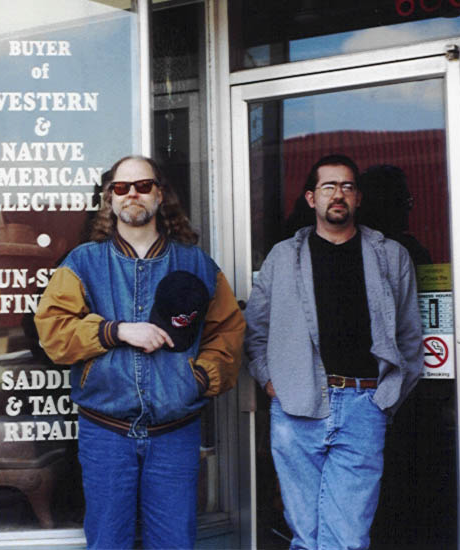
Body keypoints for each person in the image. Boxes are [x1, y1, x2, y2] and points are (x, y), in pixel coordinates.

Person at [34, 155, 245, 549]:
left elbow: (228, 333)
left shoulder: (196, 264)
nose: (132, 193)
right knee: (108, 542)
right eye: (121, 187)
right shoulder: (83, 262)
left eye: (143, 185)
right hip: (106, 431)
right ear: (110, 199)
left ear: (160, 194)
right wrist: (115, 331)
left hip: (175, 433)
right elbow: (53, 332)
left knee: (174, 543)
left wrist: (198, 379)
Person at [244, 154, 423, 550]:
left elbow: (410, 338)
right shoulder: (283, 257)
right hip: (296, 406)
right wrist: (270, 381)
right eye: (328, 186)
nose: (337, 194)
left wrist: (386, 399)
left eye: (346, 186)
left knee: (348, 537)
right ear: (311, 198)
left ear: (358, 197)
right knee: (306, 535)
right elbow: (255, 329)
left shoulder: (390, 255)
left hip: (365, 405)